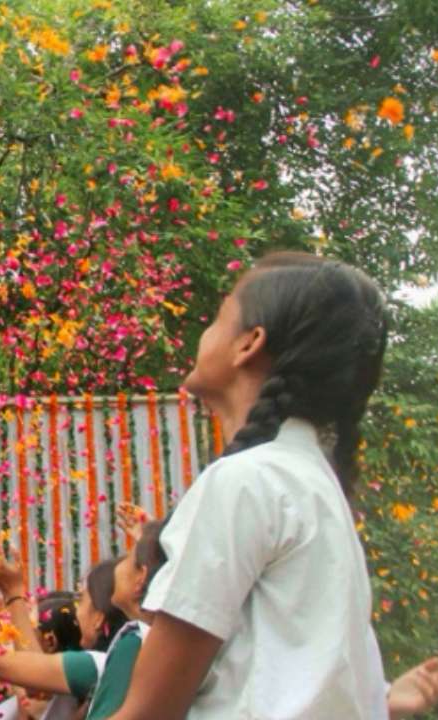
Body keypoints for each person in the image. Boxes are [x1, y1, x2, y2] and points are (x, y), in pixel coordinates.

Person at [110, 253, 394, 719]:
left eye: (219, 315)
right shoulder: (312, 484)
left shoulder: (247, 480)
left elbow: (147, 712)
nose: (203, 332)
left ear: (249, 343)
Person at [0, 522, 165, 720]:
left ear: (99, 620)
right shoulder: (144, 652)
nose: (75, 610)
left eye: (83, 601)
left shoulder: (101, 662)